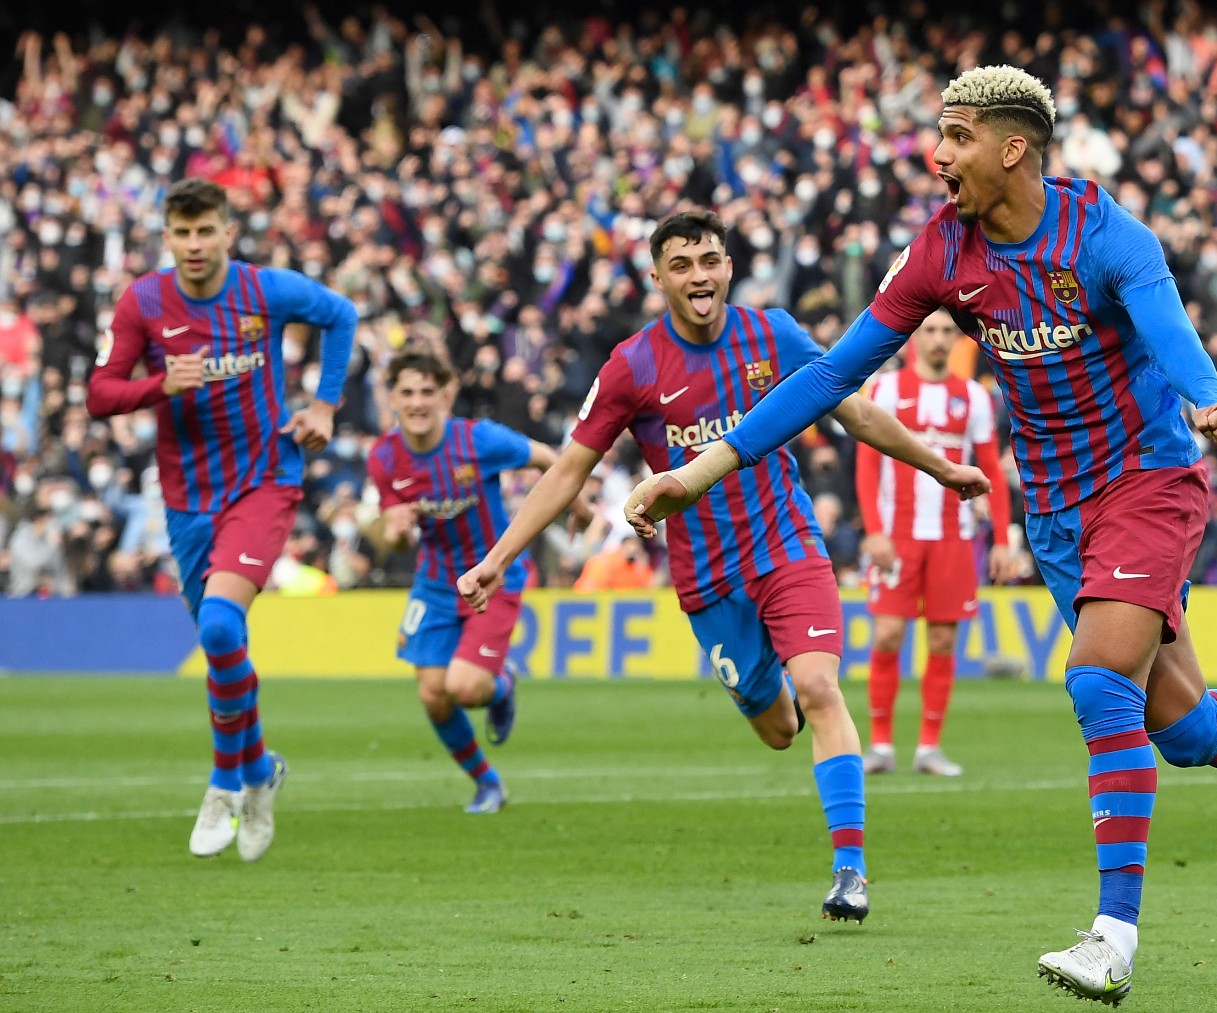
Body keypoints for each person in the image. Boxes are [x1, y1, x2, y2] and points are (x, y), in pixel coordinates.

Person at [621, 67, 1217, 1004]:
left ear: (1013, 148)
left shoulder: (1107, 237)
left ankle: (1112, 937)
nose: (937, 156)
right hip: (1053, 510)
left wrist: (1210, 398)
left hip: (1147, 481)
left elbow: (1170, 330)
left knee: (1096, 681)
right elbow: (831, 375)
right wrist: (698, 469)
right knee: (1178, 726)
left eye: (956, 137)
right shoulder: (940, 251)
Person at [458, 209, 988, 923]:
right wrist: (497, 558)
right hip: (708, 580)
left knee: (820, 687)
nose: (699, 276)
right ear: (657, 279)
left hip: (787, 545)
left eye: (709, 260)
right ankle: (794, 692)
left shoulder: (774, 335)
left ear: (729, 266)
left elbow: (857, 415)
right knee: (778, 726)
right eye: (681, 266)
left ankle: (850, 870)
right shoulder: (632, 366)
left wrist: (943, 468)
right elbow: (567, 472)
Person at [86, 178, 356, 861]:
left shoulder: (266, 291)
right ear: (167, 236)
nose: (196, 244)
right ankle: (262, 768)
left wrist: (324, 405)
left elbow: (341, 313)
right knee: (224, 641)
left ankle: (223, 781)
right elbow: (98, 394)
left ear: (229, 232)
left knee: (215, 623)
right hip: (188, 501)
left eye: (207, 230)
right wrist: (159, 385)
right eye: (183, 232)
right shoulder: (144, 302)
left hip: (265, 480)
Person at [367, 351, 572, 814]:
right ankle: (487, 783)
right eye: (407, 393)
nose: (417, 403)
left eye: (427, 392)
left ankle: (501, 686)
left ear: (446, 395)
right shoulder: (383, 458)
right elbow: (393, 538)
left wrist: (575, 504)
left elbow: (548, 458)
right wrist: (393, 532)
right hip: (435, 584)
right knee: (432, 695)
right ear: (392, 398)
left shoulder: (478, 440)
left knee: (465, 689)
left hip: (491, 577)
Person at [856, 308, 1021, 777]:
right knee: (888, 634)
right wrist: (873, 530)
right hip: (898, 533)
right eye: (929, 330)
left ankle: (929, 746)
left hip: (953, 534)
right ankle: (882, 745)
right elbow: (868, 467)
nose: (938, 339)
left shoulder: (972, 397)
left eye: (948, 331)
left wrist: (1003, 539)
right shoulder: (885, 390)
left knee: (944, 640)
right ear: (913, 338)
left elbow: (991, 469)